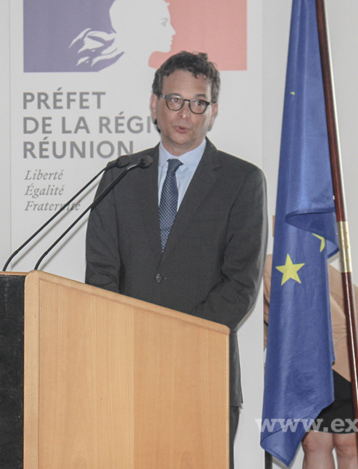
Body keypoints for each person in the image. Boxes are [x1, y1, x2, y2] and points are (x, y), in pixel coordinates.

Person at [85, 50, 268, 468]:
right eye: (174, 100)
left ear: (213, 110)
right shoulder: (120, 175)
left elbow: (240, 284)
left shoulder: (242, 181)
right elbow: (100, 274)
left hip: (202, 374)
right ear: (154, 103)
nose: (185, 113)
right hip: (126, 371)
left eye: (198, 102)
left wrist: (174, 341)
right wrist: (134, 341)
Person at [262, 255, 358, 469]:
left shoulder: (276, 267)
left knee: (348, 444)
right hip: (313, 359)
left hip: (354, 352)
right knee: (314, 444)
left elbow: (338, 330)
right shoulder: (256, 275)